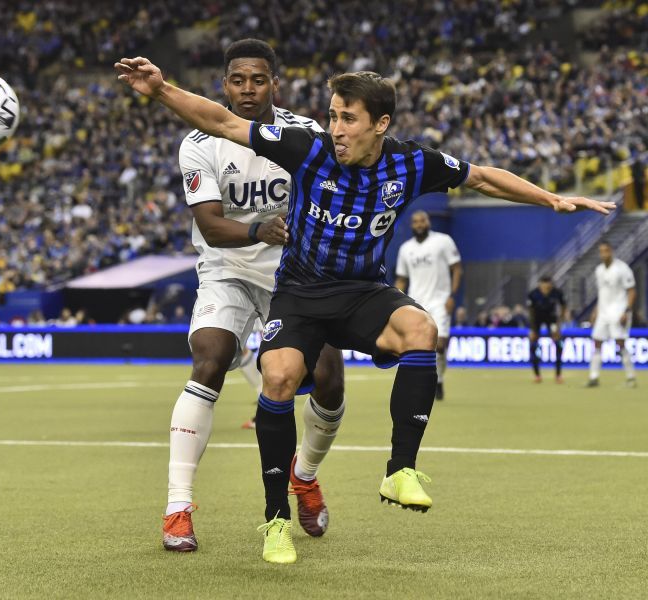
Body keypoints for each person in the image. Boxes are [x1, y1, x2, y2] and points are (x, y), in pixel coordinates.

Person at [115, 54, 615, 564]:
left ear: (380, 124)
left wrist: (550, 199)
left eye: (347, 119)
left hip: (361, 293)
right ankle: (275, 521)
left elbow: (482, 178)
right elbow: (221, 121)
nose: (335, 128)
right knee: (279, 377)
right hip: (301, 293)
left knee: (421, 329)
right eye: (332, 115)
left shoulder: (411, 162)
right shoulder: (306, 148)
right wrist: (160, 90)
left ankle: (399, 470)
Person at [161, 40, 344, 554]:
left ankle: (303, 476)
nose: (247, 89)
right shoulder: (198, 143)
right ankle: (178, 506)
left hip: (295, 275)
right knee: (210, 359)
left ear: (274, 84)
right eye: (237, 80)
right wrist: (260, 229)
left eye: (258, 80)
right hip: (228, 268)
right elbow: (212, 228)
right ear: (224, 85)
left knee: (328, 381)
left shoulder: (306, 135)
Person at [395, 210, 462, 400]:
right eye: (415, 221)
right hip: (416, 303)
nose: (419, 224)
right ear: (411, 225)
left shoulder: (443, 241)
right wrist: (396, 300)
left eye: (422, 221)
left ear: (428, 221)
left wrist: (451, 296)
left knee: (440, 345)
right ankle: (425, 384)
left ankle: (439, 378)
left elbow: (456, 268)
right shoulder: (405, 249)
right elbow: (401, 279)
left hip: (440, 300)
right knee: (417, 346)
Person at [586, 241, 637, 388]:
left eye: (606, 251)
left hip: (618, 311)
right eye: (601, 251)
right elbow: (601, 293)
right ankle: (593, 377)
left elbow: (632, 290)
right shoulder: (599, 270)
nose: (604, 254)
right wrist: (595, 311)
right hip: (603, 312)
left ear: (611, 251)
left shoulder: (622, 268)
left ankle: (631, 377)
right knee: (597, 342)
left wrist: (627, 310)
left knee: (620, 343)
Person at [526, 275, 567, 383]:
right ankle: (537, 375)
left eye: (549, 284)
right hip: (537, 320)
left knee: (558, 344)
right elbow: (531, 312)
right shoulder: (533, 294)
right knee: (533, 345)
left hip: (551, 319)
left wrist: (559, 325)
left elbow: (563, 306)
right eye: (544, 284)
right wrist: (532, 329)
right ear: (540, 284)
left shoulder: (557, 292)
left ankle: (558, 374)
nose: (547, 286)